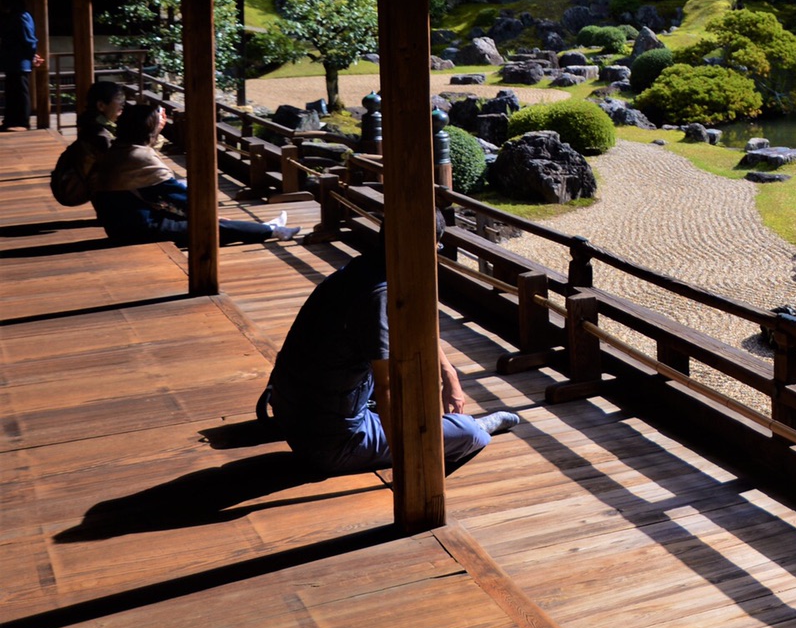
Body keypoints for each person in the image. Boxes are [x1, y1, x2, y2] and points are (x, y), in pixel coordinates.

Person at [266, 228, 521, 475]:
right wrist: (408, 465)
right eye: (437, 248)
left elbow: (416, 324)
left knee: (413, 374)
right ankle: (470, 427)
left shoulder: (365, 269)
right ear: (424, 248)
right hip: (332, 444)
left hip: (292, 412)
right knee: (468, 434)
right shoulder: (380, 295)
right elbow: (388, 387)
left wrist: (449, 376)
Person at [91, 101, 302, 244]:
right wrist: (210, 213)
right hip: (136, 229)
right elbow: (177, 195)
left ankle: (265, 227)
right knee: (207, 226)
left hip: (123, 222)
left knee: (205, 220)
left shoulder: (120, 149)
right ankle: (271, 230)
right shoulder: (138, 156)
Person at [2, 0, 41, 130]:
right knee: (12, 91)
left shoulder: (20, 16)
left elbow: (29, 39)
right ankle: (11, 120)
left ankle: (22, 121)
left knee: (19, 91)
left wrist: (32, 55)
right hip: (13, 60)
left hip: (19, 60)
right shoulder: (12, 16)